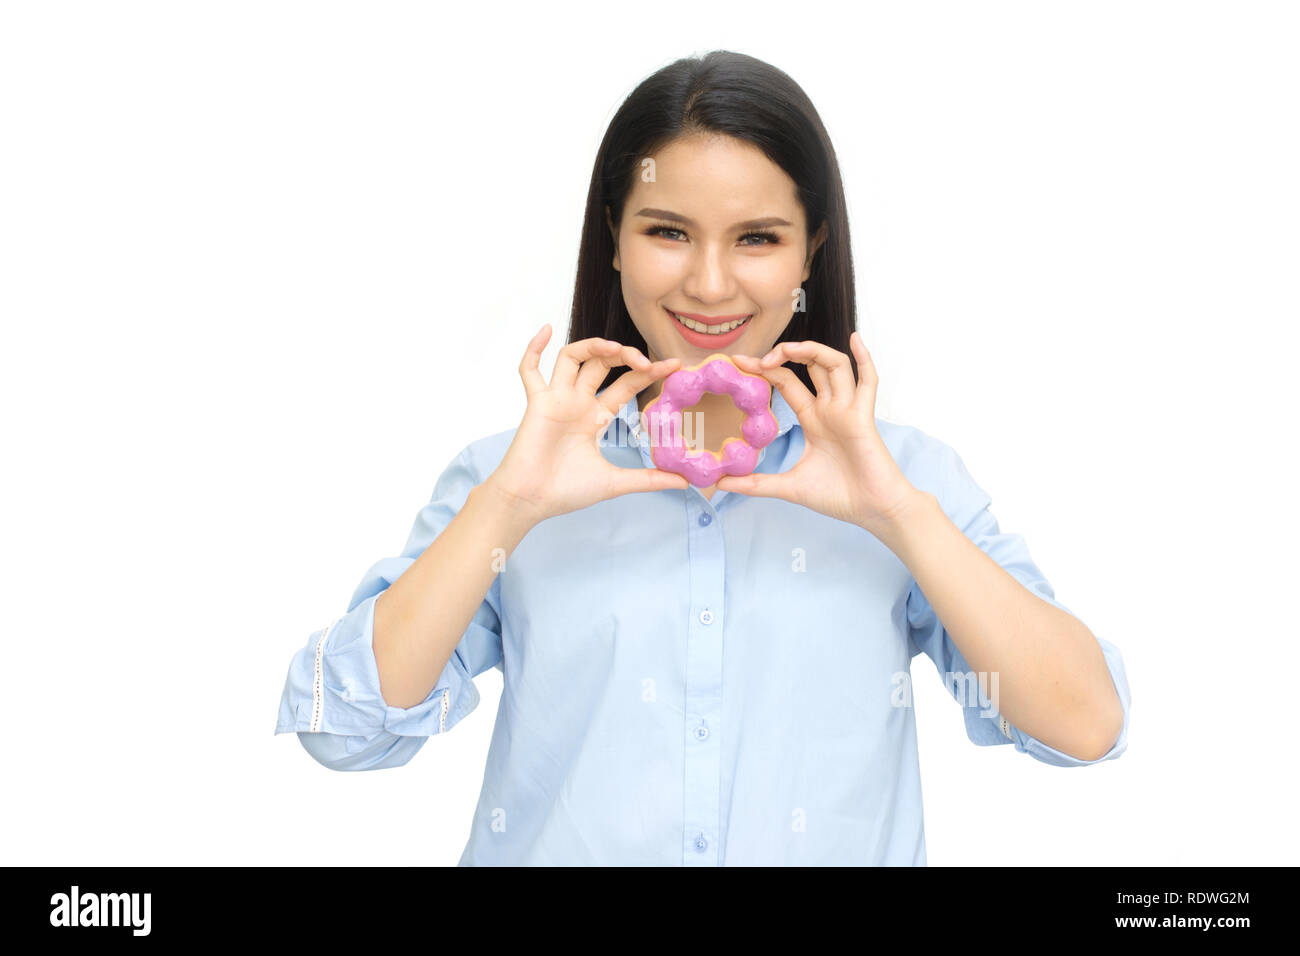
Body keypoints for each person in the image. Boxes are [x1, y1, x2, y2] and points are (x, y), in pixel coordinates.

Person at [275, 50, 1130, 866]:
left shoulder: (907, 480)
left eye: (757, 238)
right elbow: (344, 732)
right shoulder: (508, 477)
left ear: (809, 254)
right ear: (615, 238)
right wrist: (508, 506)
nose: (711, 286)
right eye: (669, 232)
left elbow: (1085, 726)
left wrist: (898, 517)